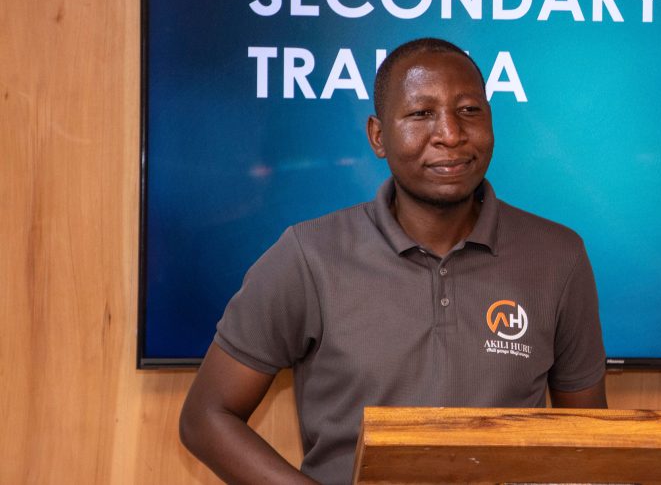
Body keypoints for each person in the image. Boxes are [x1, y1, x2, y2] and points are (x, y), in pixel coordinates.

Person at [180, 37, 607, 484]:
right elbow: (206, 417)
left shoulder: (558, 256)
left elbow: (591, 441)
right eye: (421, 114)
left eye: (469, 110)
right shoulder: (309, 255)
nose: (450, 134)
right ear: (378, 136)